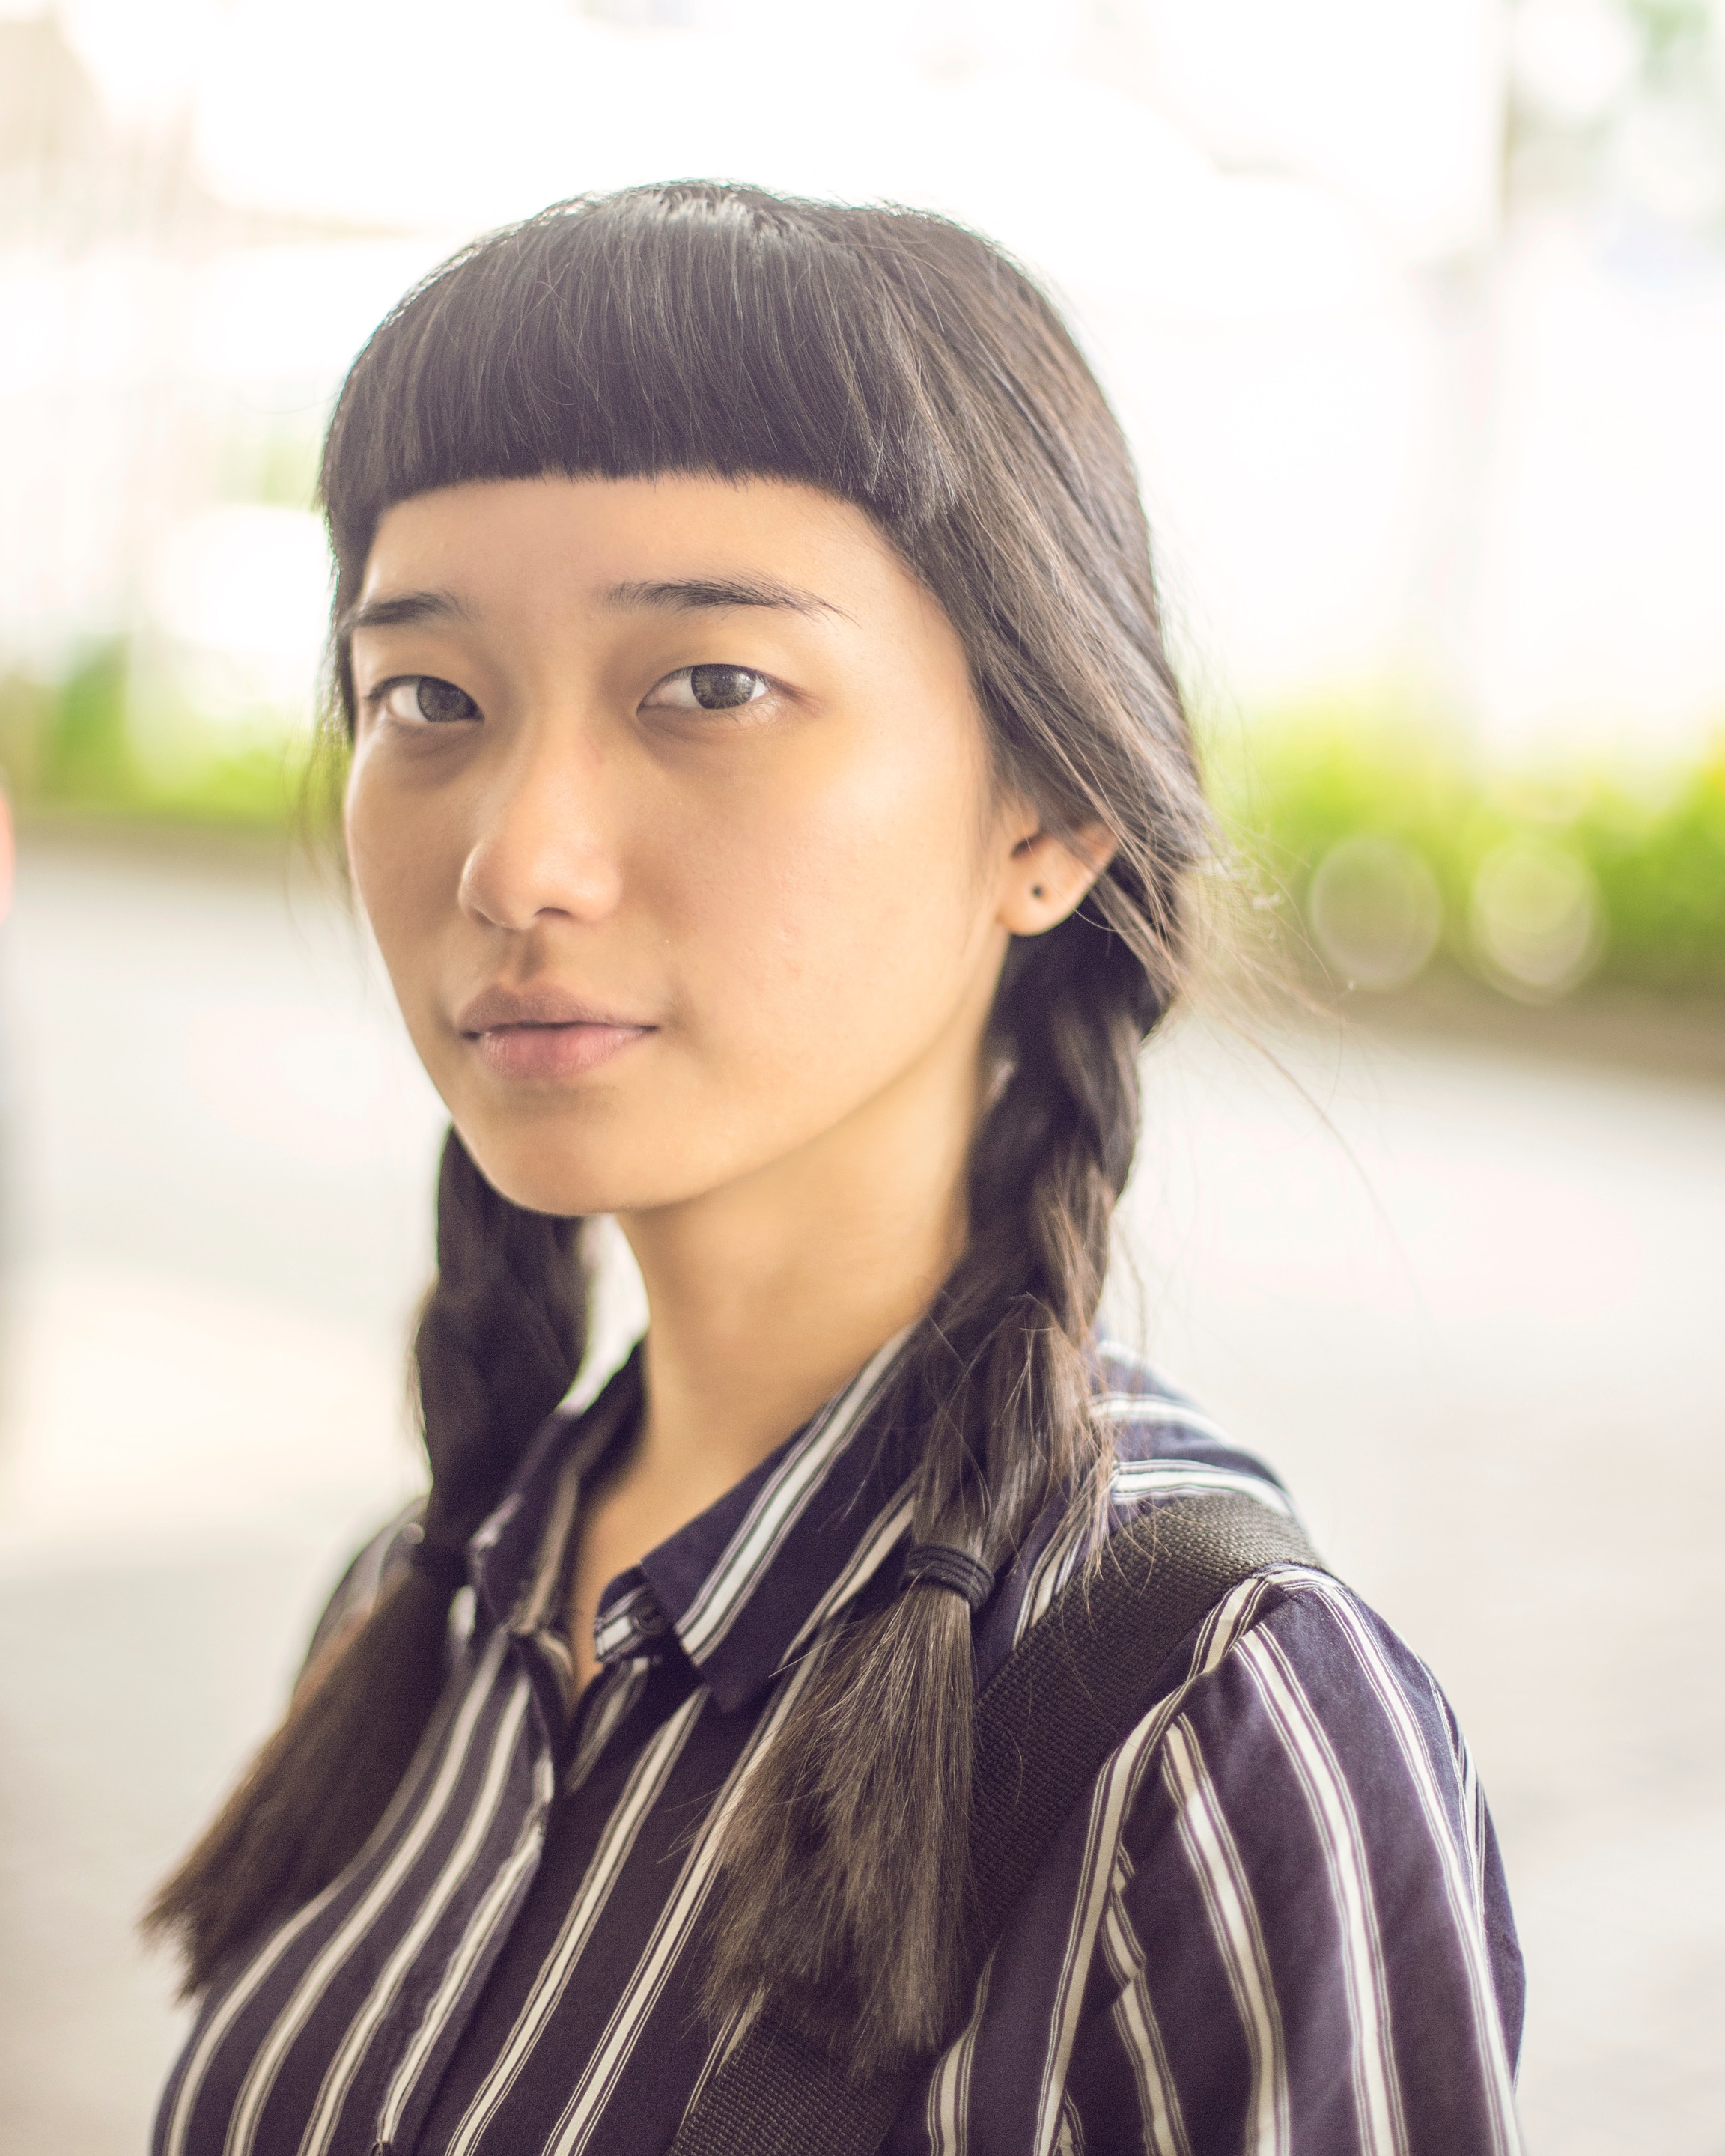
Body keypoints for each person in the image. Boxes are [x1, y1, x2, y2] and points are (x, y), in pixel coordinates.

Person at [147, 183, 1524, 2156]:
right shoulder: (426, 1599)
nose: (516, 862)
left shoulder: (1213, 1727)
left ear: (1045, 808)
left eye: (708, 686)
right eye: (429, 702)